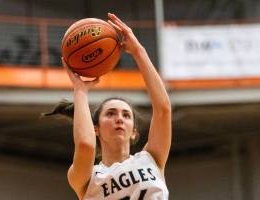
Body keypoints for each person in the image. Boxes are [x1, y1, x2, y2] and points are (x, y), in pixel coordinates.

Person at [50, 13, 171, 200]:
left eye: (126, 115)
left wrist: (138, 51)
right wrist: (80, 90)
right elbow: (85, 145)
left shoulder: (152, 158)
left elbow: (163, 110)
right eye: (111, 113)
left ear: (134, 132)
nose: (119, 118)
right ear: (95, 129)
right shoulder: (88, 178)